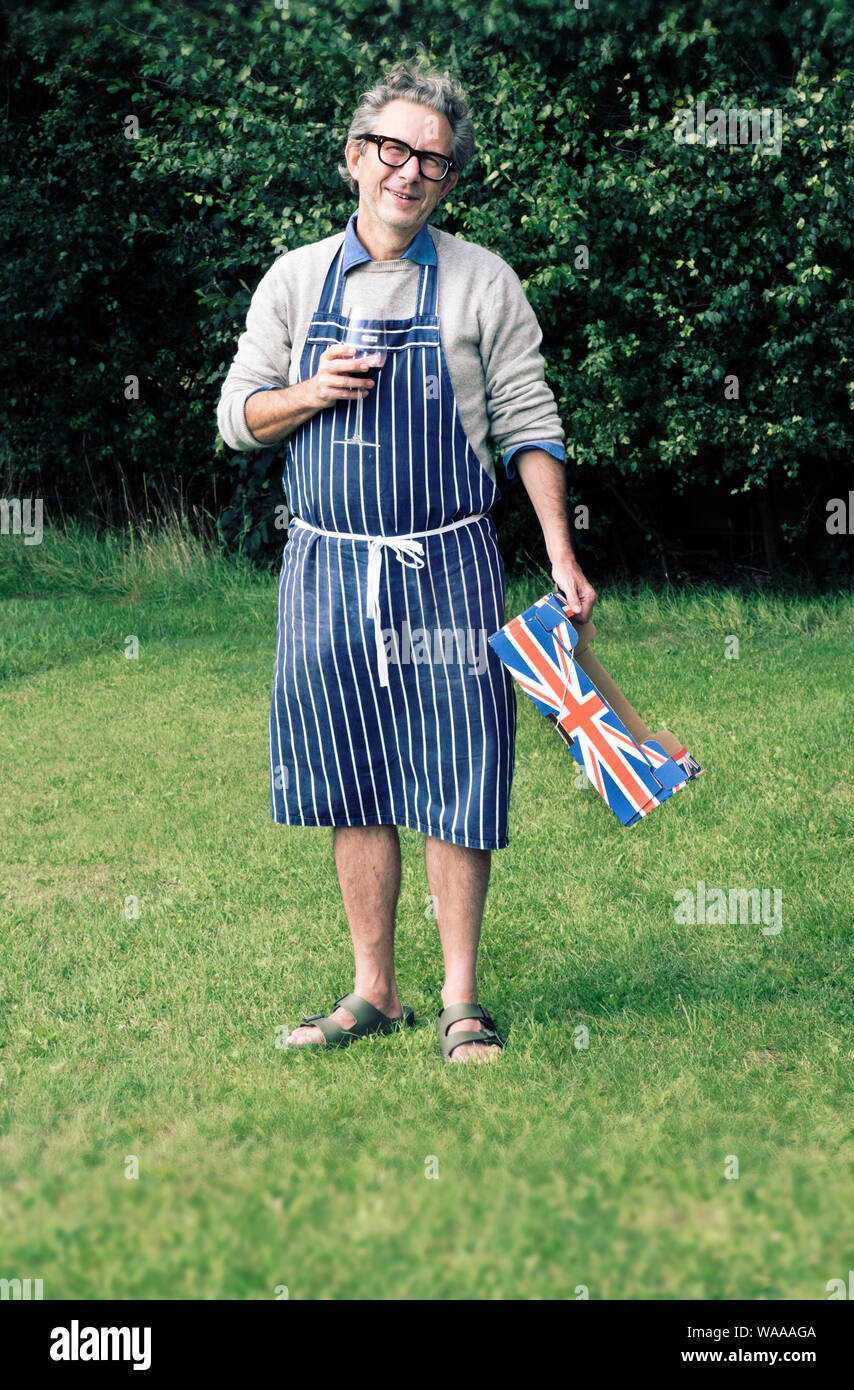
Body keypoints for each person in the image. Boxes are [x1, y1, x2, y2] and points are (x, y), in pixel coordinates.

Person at [217, 60, 597, 1062]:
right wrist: (307, 391)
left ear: (446, 181)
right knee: (350, 776)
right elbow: (237, 414)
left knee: (454, 772)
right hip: (327, 569)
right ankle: (373, 989)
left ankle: (461, 998)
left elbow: (529, 421)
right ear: (354, 158)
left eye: (431, 158)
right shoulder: (296, 280)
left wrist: (559, 553)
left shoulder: (482, 280)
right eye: (392, 148)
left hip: (446, 564)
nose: (410, 170)